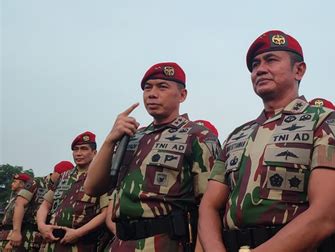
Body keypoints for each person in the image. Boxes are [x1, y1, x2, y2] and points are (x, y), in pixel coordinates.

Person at [198, 30, 335, 252]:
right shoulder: (238, 135)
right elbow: (209, 204)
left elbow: (325, 215)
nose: (260, 69)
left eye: (271, 60)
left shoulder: (326, 122)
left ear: (299, 70)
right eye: (255, 64)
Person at [83, 62, 220, 251]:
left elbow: (209, 205)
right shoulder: (132, 137)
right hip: (120, 243)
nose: (152, 93)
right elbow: (92, 187)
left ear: (182, 95)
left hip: (165, 243)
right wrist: (110, 140)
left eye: (162, 86)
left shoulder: (198, 136)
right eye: (148, 88)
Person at [37, 131, 108, 252]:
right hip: (51, 242)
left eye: (84, 149)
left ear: (94, 153)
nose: (78, 153)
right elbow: (45, 204)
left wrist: (78, 233)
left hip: (81, 244)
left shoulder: (101, 177)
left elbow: (105, 213)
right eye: (75, 150)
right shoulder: (63, 176)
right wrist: (41, 226)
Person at [9, 161, 74, 251]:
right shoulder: (37, 182)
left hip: (47, 235)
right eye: (61, 176)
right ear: (55, 172)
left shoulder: (64, 186)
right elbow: (19, 204)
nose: (63, 178)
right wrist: (16, 232)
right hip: (28, 232)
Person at [0, 173, 33, 252]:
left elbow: (22, 221)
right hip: (5, 235)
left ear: (22, 184)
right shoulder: (14, 198)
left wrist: (11, 242)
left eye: (15, 182)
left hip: (12, 237)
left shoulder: (23, 201)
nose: (12, 184)